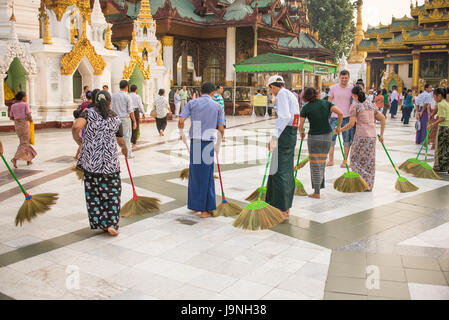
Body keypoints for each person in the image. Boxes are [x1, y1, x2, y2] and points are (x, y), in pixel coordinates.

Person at [72, 90, 128, 237]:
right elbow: (120, 140)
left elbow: (76, 127)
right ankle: (111, 224)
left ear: (95, 101)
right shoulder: (115, 117)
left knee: (94, 193)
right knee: (112, 194)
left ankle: (101, 223)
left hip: (91, 163)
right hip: (111, 164)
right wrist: (125, 149)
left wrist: (78, 140)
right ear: (110, 102)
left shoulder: (88, 113)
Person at [178, 82, 225, 218]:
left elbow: (181, 120)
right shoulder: (217, 106)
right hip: (208, 143)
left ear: (200, 92)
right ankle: (204, 210)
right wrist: (218, 145)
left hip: (196, 142)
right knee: (207, 176)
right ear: (212, 93)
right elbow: (221, 129)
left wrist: (181, 133)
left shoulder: (192, 103)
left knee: (195, 175)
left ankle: (195, 205)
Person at [299, 87, 343, 199]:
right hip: (327, 136)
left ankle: (317, 192)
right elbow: (340, 113)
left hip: (314, 137)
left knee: (315, 164)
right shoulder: (326, 103)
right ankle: (318, 189)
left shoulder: (306, 107)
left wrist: (302, 133)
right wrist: (338, 127)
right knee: (322, 163)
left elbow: (300, 125)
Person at [265, 75, 299, 219]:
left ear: (273, 87)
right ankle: (276, 204)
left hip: (285, 134)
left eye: (270, 89)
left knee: (280, 172)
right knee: (282, 169)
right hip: (291, 133)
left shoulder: (281, 95)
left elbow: (284, 117)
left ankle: (283, 209)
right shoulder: (291, 94)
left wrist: (274, 137)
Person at [341, 86, 386, 191]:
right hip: (372, 137)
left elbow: (351, 124)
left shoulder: (355, 106)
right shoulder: (371, 105)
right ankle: (368, 185)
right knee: (369, 161)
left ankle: (359, 183)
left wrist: (340, 129)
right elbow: (383, 118)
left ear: (354, 95)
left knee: (355, 159)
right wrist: (382, 135)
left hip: (361, 136)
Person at [327, 70, 354, 168]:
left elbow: (354, 101)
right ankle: (331, 160)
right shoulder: (333, 88)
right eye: (342, 77)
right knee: (331, 140)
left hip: (347, 117)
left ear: (348, 78)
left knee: (346, 140)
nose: (344, 79)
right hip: (334, 117)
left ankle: (345, 161)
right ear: (339, 77)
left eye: (346, 78)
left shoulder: (351, 89)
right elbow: (328, 102)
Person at [9, 92, 37, 168]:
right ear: (22, 98)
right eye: (26, 96)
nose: (26, 98)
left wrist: (18, 119)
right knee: (24, 143)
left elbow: (11, 117)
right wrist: (31, 121)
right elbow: (28, 114)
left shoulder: (13, 105)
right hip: (25, 124)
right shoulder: (25, 104)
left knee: (25, 142)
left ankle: (29, 160)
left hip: (17, 126)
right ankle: (15, 158)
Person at [111, 80, 136, 159]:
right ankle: (128, 154)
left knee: (114, 137)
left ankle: (113, 154)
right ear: (126, 87)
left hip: (115, 119)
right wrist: (134, 121)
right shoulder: (127, 96)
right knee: (127, 136)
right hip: (125, 119)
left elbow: (111, 108)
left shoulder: (113, 96)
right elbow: (130, 111)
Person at [431, 88, 449, 173]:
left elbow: (442, 118)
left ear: (439, 96)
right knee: (446, 147)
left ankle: (437, 167)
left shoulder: (441, 104)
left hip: (443, 127)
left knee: (438, 147)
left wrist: (433, 124)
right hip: (448, 127)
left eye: (434, 96)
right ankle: (445, 167)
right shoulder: (445, 103)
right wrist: (432, 114)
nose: (434, 98)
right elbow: (436, 109)